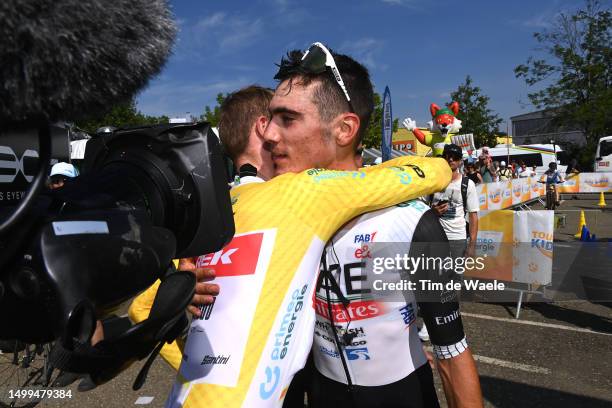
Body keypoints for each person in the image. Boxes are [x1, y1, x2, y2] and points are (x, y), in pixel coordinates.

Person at [130, 79, 452, 408]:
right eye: (281, 120)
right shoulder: (301, 191)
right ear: (263, 128)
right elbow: (430, 172)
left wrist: (200, 362)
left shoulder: (205, 215)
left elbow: (140, 308)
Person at [264, 44, 482, 408]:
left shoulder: (410, 220)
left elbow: (452, 353)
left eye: (287, 119)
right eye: (271, 118)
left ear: (344, 129)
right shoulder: (276, 217)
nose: (269, 134)